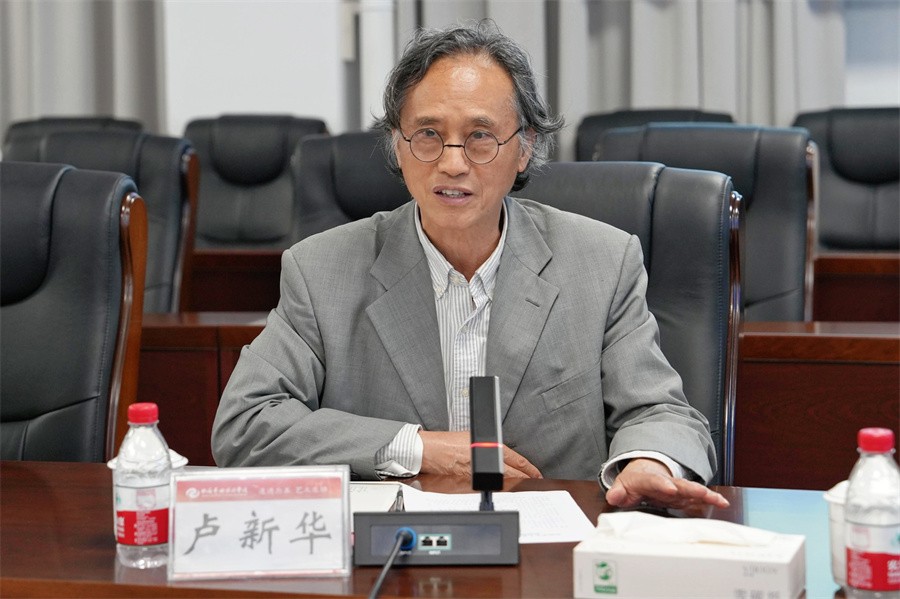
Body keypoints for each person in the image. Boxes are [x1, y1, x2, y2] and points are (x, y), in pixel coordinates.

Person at [212, 21, 728, 510]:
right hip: (395, 549)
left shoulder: (602, 261)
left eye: (481, 135)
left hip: (552, 547)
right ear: (397, 145)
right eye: (428, 134)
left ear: (524, 147)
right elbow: (246, 424)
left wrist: (646, 462)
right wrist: (418, 447)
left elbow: (660, 411)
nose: (452, 162)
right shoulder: (321, 269)